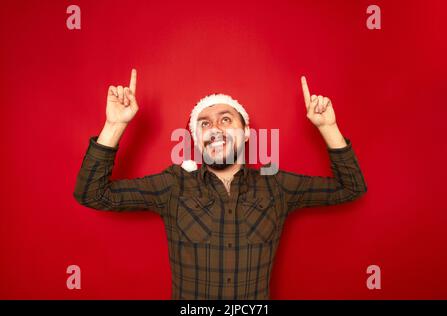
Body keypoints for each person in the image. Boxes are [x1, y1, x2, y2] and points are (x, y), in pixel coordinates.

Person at [73, 69, 367, 299]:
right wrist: (115, 125)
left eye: (226, 120)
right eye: (204, 123)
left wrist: (328, 127)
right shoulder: (174, 184)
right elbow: (92, 194)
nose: (214, 128)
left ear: (247, 133)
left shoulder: (275, 183)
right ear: (197, 140)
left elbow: (351, 187)